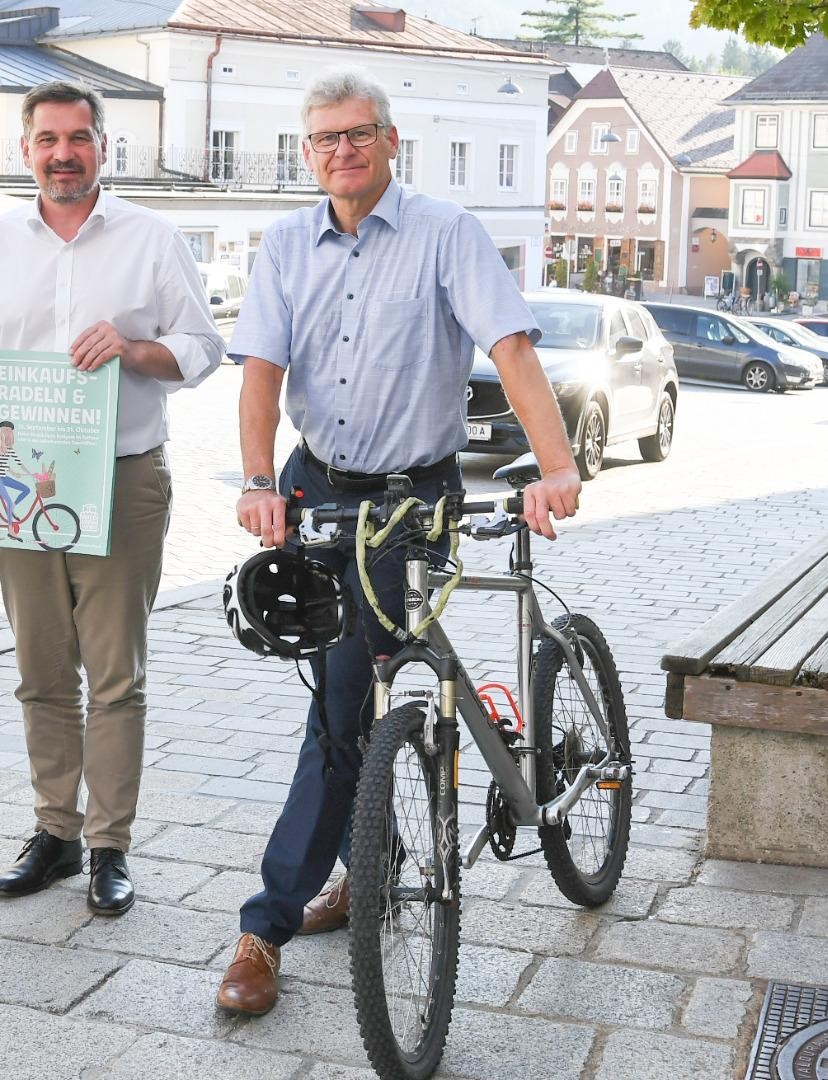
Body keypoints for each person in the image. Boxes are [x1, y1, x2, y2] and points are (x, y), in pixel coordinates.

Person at [214, 68, 581, 1015]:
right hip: (313, 487)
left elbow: (512, 351)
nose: (344, 150)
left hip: (411, 500)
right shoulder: (288, 242)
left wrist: (557, 466)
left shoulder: (446, 233)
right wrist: (260, 483)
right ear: (308, 151)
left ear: (390, 141)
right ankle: (365, 861)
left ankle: (265, 925)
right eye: (326, 138)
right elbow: (259, 375)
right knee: (336, 694)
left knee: (342, 705)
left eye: (360, 134)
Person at [0, 80, 225, 915]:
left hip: (125, 474)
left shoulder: (151, 238)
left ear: (105, 146)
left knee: (114, 673)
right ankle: (56, 831)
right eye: (47, 140)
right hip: (18, 480)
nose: (64, 154)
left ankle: (108, 844)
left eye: (80, 138)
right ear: (25, 150)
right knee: (39, 670)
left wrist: (136, 350)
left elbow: (203, 349)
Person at [0, 421, 32, 523]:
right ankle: (10, 530)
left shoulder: (10, 449)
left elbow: (18, 462)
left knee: (26, 489)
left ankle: (11, 509)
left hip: (2, 477)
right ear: (1, 431)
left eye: (9, 431)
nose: (7, 432)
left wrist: (29, 473)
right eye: (5, 430)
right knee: (9, 502)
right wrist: (12, 472)